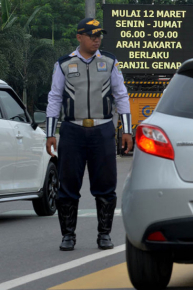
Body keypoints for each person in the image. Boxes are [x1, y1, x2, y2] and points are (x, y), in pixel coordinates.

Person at [45, 18, 133, 251]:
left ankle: (104, 234)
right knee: (68, 186)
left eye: (99, 35)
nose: (97, 39)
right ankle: (68, 236)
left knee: (105, 185)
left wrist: (126, 130)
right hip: (72, 130)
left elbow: (121, 95)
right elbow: (54, 97)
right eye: (92, 35)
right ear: (79, 37)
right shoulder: (64, 64)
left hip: (103, 130)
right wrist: (50, 133)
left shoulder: (110, 61)